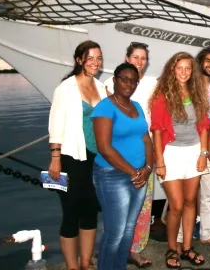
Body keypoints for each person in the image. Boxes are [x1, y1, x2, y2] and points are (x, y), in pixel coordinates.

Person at [48, 40, 106, 270]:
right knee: (71, 211)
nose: (95, 62)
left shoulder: (101, 87)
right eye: (90, 58)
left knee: (90, 209)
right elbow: (55, 125)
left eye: (99, 58)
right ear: (79, 60)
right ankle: (72, 266)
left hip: (96, 158)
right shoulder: (66, 89)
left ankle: (86, 261)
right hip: (72, 158)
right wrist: (55, 159)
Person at [150, 52, 210, 268]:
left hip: (194, 152)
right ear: (172, 70)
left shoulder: (197, 93)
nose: (184, 72)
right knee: (175, 205)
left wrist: (203, 154)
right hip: (171, 154)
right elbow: (156, 131)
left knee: (189, 201)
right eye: (179, 68)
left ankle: (186, 247)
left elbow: (203, 127)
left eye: (187, 68)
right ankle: (171, 248)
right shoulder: (162, 96)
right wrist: (160, 161)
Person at [91, 63, 153, 270]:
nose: (129, 84)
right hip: (112, 176)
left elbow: (146, 139)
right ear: (115, 80)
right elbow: (104, 148)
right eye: (124, 79)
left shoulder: (136, 106)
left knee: (128, 230)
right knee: (114, 233)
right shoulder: (105, 107)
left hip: (139, 175)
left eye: (133, 80)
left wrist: (148, 167)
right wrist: (135, 172)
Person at [104, 42, 157, 268]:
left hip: (147, 151)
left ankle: (134, 250)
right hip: (120, 155)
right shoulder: (111, 83)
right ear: (127, 58)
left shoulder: (153, 84)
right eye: (135, 57)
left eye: (143, 58)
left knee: (143, 206)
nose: (139, 61)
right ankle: (114, 252)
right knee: (119, 209)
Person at [177, 48, 210, 249]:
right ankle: (180, 237)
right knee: (186, 196)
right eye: (208, 61)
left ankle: (206, 233)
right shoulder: (189, 84)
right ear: (200, 62)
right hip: (190, 143)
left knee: (209, 193)